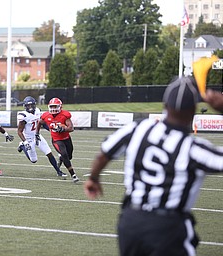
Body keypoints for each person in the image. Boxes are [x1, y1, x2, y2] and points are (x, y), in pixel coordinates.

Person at [84, 76, 223, 256]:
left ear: (165, 105)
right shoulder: (193, 149)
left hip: (131, 222)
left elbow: (103, 154)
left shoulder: (138, 128)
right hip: (167, 228)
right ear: (193, 112)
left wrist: (93, 179)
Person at [17, 96, 67, 178]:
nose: (30, 107)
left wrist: (51, 129)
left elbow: (43, 123)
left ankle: (58, 171)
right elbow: (19, 131)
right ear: (25, 106)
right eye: (28, 106)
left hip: (37, 135)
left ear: (34, 105)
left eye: (31, 105)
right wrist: (25, 142)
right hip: (28, 138)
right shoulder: (23, 116)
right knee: (33, 160)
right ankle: (22, 146)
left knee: (49, 153)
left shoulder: (38, 111)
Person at [35, 97, 79, 183]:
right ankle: (73, 174)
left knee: (69, 156)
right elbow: (40, 122)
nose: (53, 109)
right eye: (52, 106)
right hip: (56, 140)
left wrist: (63, 129)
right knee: (64, 154)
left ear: (60, 106)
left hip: (66, 138)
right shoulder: (46, 115)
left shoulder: (65, 115)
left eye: (55, 106)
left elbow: (71, 128)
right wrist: (37, 133)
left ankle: (61, 159)